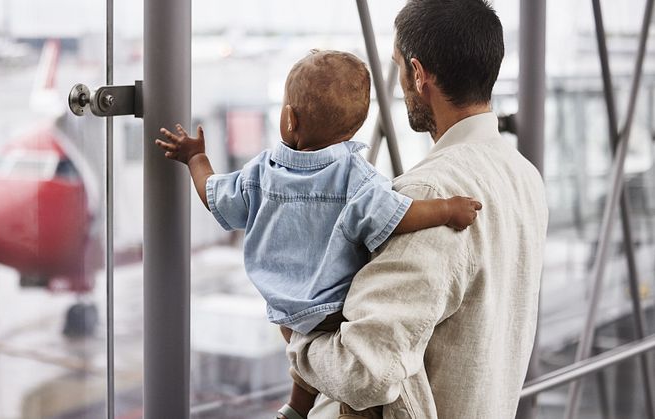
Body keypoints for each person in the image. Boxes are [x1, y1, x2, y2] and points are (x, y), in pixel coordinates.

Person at [155, 50, 482, 419]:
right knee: (341, 372)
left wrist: (196, 159)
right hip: (333, 308)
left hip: (282, 309)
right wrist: (447, 209)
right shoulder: (356, 179)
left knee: (302, 350)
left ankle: (297, 407)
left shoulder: (262, 171)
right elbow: (399, 214)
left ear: (289, 120)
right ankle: (321, 407)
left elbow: (215, 197)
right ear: (354, 128)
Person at [283, 1, 549, 418]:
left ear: (419, 75)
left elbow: (364, 371)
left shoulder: (428, 192)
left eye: (398, 68)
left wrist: (299, 339)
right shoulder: (524, 175)